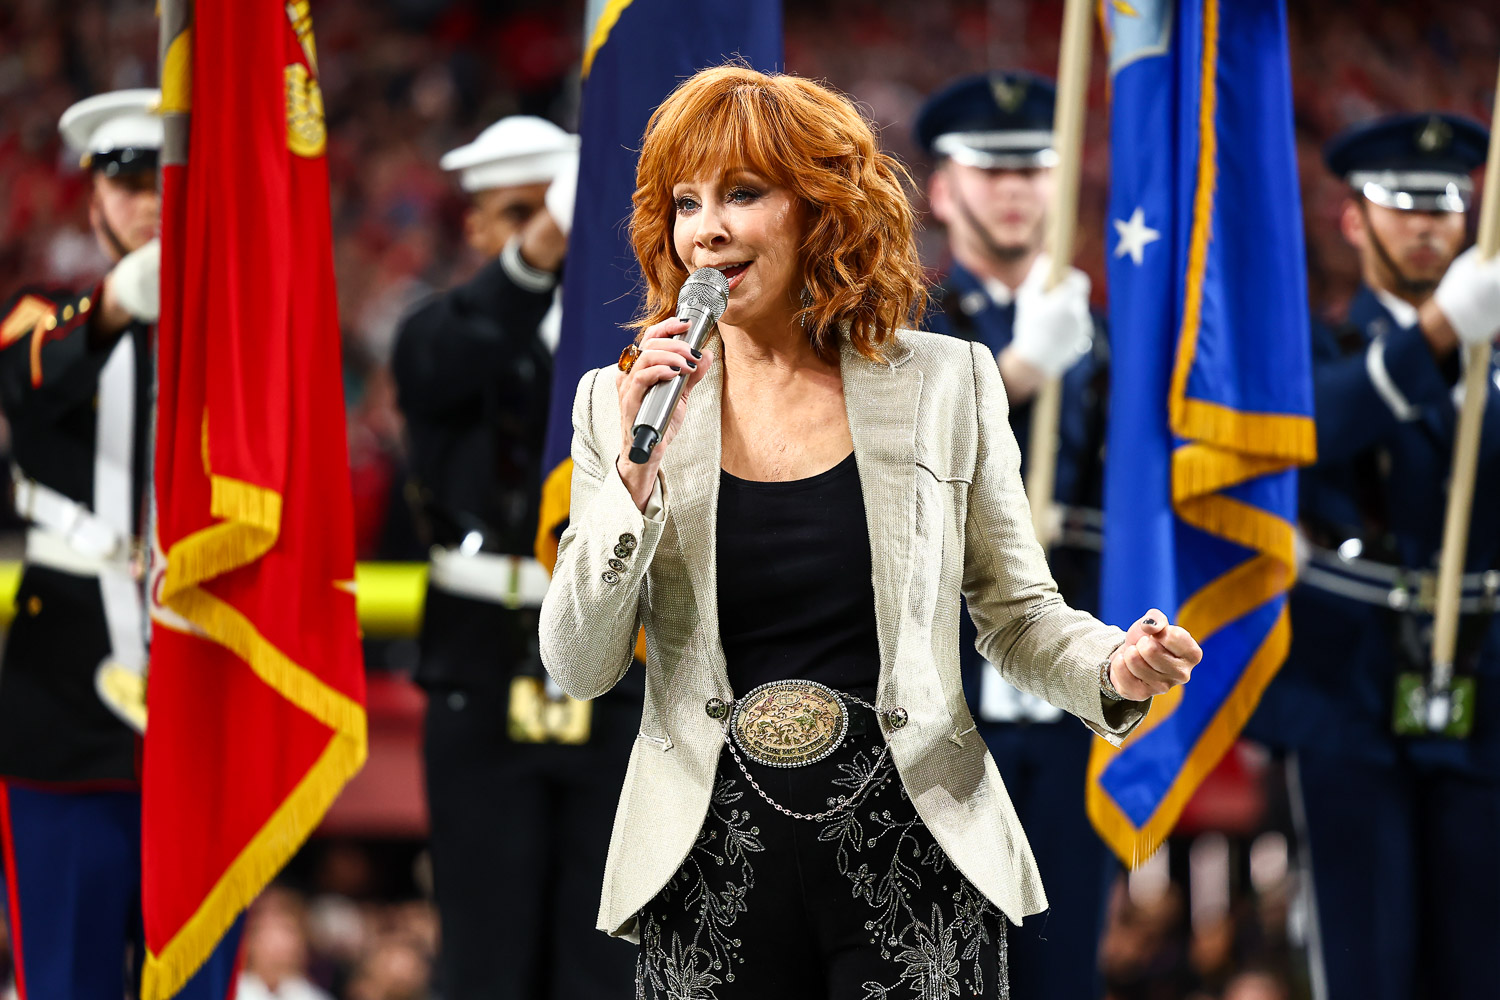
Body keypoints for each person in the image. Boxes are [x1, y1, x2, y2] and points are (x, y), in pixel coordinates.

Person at [539, 64, 1202, 999]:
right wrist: (633, 477)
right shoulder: (618, 402)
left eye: (743, 194)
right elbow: (578, 663)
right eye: (686, 203)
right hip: (707, 870)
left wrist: (1110, 669)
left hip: (912, 859)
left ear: (821, 211)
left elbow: (1016, 615)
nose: (708, 229)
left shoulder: (947, 382)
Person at [1246, 112, 1500, 1000]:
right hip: (1347, 684)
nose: (1428, 225)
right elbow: (1313, 427)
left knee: (1479, 962)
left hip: (1485, 683)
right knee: (1365, 960)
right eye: (1402, 205)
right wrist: (1436, 333)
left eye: (1446, 206)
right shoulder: (1310, 344)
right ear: (1355, 220)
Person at [0, 89, 242, 998]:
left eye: (169, 184)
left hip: (203, 670)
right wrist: (108, 309)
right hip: (62, 694)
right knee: (64, 975)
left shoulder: (238, 336)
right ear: (92, 197)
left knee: (201, 979)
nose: (150, 202)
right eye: (129, 180)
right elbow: (26, 381)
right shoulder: (42, 312)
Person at [391, 115, 638, 999]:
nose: (549, 231)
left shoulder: (639, 353)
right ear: (479, 230)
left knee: (606, 949)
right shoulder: (439, 330)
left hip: (615, 659)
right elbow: (436, 369)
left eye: (563, 213)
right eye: (520, 214)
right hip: (483, 662)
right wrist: (534, 262)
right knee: (485, 951)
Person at [916, 71, 1114, 1000]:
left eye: (1036, 168)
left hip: (1070, 679)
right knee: (933, 962)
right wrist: (1022, 369)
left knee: (1063, 961)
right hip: (938, 683)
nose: (1015, 189)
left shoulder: (1107, 338)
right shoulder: (903, 327)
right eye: (989, 169)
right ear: (944, 190)